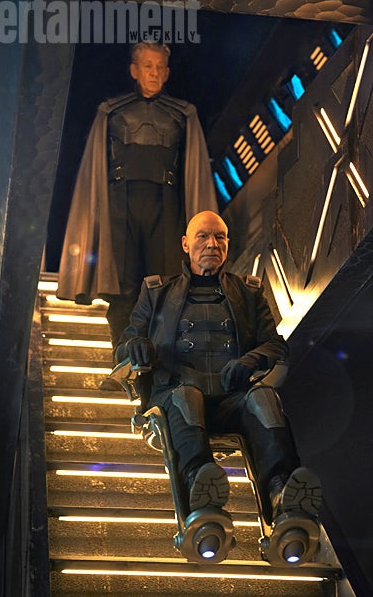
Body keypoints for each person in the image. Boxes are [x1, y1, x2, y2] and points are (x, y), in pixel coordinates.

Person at [115, 210, 322, 524]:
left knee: (263, 397)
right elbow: (124, 346)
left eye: (220, 237)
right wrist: (136, 346)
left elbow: (274, 344)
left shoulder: (249, 292)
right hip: (176, 396)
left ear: (227, 243)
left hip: (231, 398)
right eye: (203, 236)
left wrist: (250, 360)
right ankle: (200, 486)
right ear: (186, 244)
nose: (212, 244)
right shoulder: (156, 291)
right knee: (187, 396)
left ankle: (281, 494)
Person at [56, 42, 218, 348]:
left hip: (165, 206)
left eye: (159, 67)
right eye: (147, 66)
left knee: (164, 286)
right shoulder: (112, 112)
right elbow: (94, 170)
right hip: (120, 206)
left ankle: (157, 360)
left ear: (167, 73)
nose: (154, 73)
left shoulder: (182, 115)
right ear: (134, 70)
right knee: (123, 289)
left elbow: (193, 172)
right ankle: (122, 360)